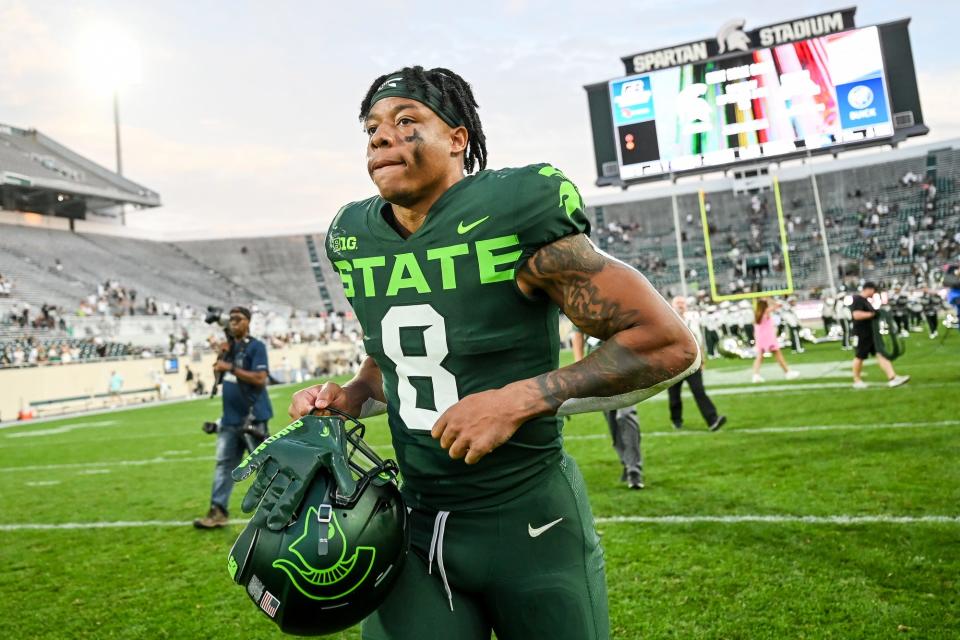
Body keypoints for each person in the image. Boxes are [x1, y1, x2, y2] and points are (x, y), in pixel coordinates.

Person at [287, 66, 699, 640]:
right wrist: (351, 396)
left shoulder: (514, 210)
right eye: (373, 128)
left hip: (531, 519)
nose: (382, 137)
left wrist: (521, 398)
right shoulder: (355, 236)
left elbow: (668, 342)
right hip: (413, 525)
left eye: (408, 121)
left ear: (458, 138)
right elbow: (396, 351)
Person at [194, 306, 273, 529]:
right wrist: (221, 356)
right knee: (223, 465)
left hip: (253, 417)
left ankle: (281, 508)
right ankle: (217, 511)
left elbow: (260, 378)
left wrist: (230, 366)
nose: (234, 323)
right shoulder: (229, 348)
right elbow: (218, 378)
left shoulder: (257, 347)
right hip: (229, 419)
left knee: (263, 467)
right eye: (231, 320)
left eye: (238, 319)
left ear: (248, 322)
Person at [570, 329, 643, 489]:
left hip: (625, 365)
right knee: (612, 420)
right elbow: (577, 333)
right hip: (598, 369)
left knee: (626, 415)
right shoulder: (585, 304)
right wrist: (579, 365)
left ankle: (634, 470)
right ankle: (626, 461)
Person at [669, 297, 726, 431]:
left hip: (692, 363)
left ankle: (713, 420)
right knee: (674, 396)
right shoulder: (668, 322)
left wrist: (702, 359)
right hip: (674, 365)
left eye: (683, 303)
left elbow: (698, 341)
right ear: (672, 306)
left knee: (699, 391)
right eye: (678, 303)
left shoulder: (691, 321)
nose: (681, 305)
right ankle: (676, 420)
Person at [849, 282, 910, 389]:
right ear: (868, 289)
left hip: (870, 334)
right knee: (860, 356)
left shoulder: (865, 301)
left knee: (881, 354)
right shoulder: (857, 299)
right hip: (862, 334)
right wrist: (872, 314)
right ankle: (857, 380)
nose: (874, 293)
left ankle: (892, 378)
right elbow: (856, 315)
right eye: (874, 290)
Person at [751, 298, 800, 383]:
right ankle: (787, 372)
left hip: (760, 338)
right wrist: (769, 299)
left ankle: (756, 375)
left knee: (759, 357)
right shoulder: (766, 312)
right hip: (768, 338)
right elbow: (778, 305)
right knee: (778, 355)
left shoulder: (757, 314)